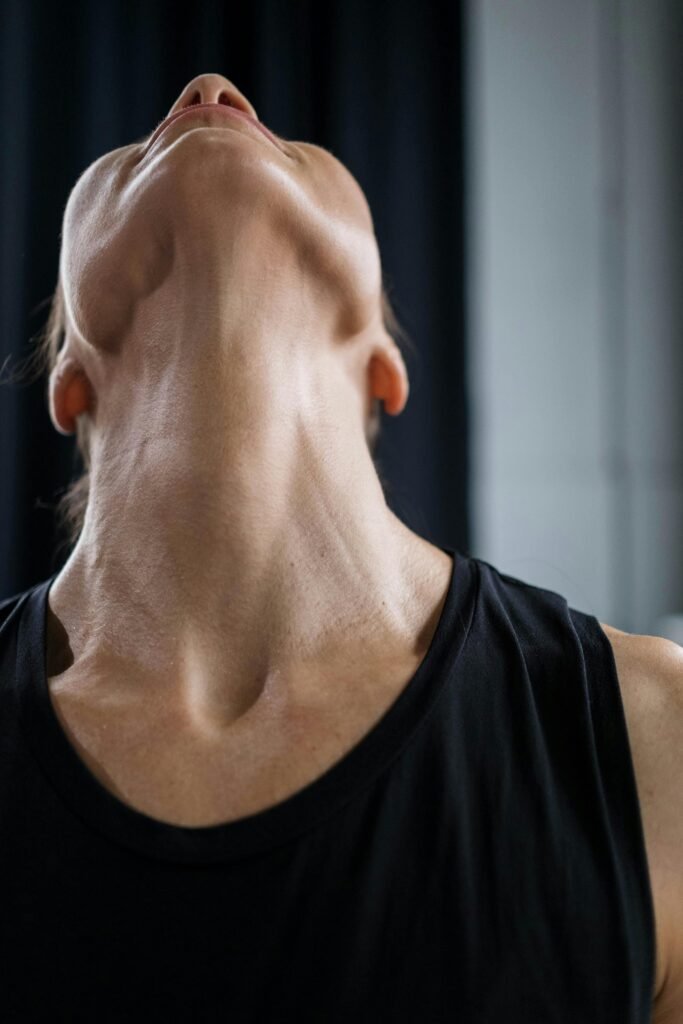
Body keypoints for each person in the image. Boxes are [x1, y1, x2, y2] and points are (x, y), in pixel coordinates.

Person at [0, 72, 680, 1022]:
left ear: (385, 370)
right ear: (67, 381)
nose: (211, 92)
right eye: (132, 150)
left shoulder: (654, 738)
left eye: (297, 149)